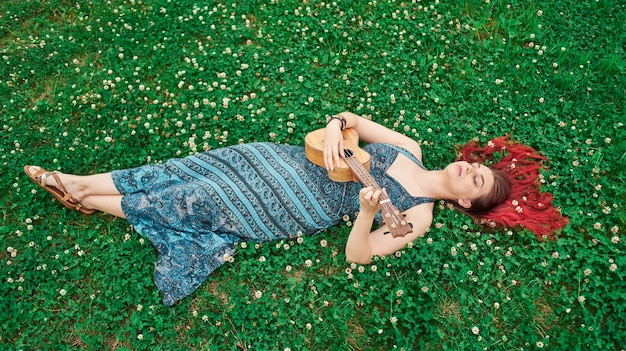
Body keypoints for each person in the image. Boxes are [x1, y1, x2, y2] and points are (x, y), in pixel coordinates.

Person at [24, 112, 567, 305]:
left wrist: (363, 212)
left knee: (201, 199)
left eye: (477, 179)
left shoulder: (417, 217)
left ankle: (84, 196)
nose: (470, 169)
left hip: (296, 204)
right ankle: (80, 183)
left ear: (468, 199)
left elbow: (359, 256)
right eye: (476, 164)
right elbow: (349, 116)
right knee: (195, 168)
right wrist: (334, 130)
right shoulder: (412, 148)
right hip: (286, 159)